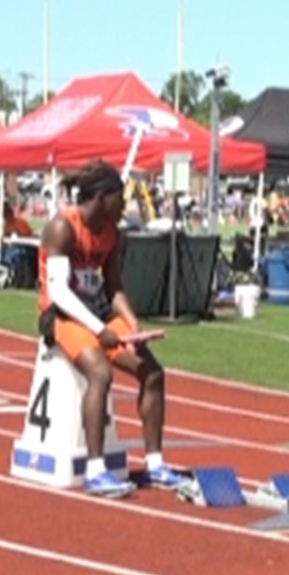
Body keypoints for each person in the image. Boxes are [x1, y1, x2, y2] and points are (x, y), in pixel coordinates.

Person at [37, 160, 187, 499]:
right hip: (60, 315)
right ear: (103, 198)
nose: (125, 207)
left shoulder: (112, 234)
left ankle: (155, 464)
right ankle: (95, 470)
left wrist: (131, 323)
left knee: (152, 373)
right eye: (121, 199)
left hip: (97, 312)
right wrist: (97, 330)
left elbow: (113, 286)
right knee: (100, 373)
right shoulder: (63, 228)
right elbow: (59, 293)